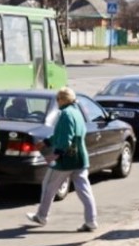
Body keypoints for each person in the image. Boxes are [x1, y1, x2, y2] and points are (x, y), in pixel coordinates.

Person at [26, 87, 98, 232]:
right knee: (84, 190)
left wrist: (57, 153)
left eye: (57, 99)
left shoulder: (65, 114)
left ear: (62, 99)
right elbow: (62, 134)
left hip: (66, 159)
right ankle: (91, 221)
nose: (57, 102)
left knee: (48, 186)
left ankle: (41, 216)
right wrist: (47, 142)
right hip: (80, 158)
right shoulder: (77, 112)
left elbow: (65, 137)